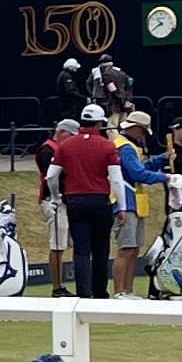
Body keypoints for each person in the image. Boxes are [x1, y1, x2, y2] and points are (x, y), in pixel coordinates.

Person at [51, 106, 123, 300]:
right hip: (100, 200)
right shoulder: (107, 146)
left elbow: (51, 176)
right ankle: (99, 291)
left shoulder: (66, 145)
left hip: (75, 200)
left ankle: (84, 293)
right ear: (99, 123)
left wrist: (57, 196)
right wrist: (122, 207)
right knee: (101, 249)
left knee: (81, 250)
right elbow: (116, 179)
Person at [110, 111, 162, 297]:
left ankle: (128, 290)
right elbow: (138, 174)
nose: (143, 136)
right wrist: (166, 177)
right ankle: (119, 291)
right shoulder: (125, 147)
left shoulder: (130, 146)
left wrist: (161, 159)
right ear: (135, 128)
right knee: (126, 248)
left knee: (133, 248)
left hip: (135, 202)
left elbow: (142, 168)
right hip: (125, 202)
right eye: (142, 131)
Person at [36, 119, 76, 295]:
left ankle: (69, 284)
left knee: (68, 243)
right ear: (61, 132)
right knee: (57, 244)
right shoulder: (48, 150)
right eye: (70, 135)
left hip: (66, 201)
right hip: (54, 201)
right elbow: (52, 176)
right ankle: (57, 287)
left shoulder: (61, 149)